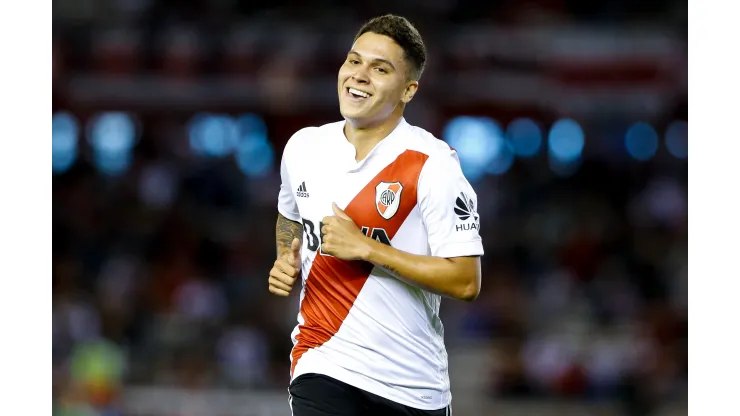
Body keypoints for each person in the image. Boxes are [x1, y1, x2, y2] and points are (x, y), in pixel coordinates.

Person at [268, 14, 484, 416]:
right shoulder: (303, 147)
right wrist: (285, 255)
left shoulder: (432, 163)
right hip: (323, 362)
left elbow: (466, 280)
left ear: (408, 90)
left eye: (379, 69)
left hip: (413, 384)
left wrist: (367, 248)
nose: (359, 76)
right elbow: (289, 216)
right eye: (354, 61)